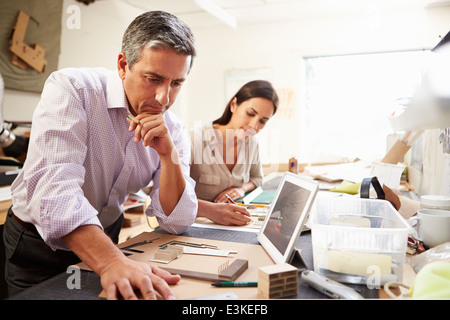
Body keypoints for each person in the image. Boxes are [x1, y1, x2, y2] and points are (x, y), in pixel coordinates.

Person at [3, 11, 198, 300]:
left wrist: (169, 159)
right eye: (153, 78)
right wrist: (110, 261)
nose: (163, 98)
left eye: (176, 83)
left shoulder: (173, 128)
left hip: (106, 237)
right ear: (123, 64)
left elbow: (176, 221)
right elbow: (55, 191)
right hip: (39, 244)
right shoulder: (73, 89)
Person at [190, 80, 278, 226]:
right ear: (233, 105)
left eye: (262, 121)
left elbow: (257, 179)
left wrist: (241, 189)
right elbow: (174, 197)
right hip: (196, 225)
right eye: (250, 113)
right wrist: (212, 211)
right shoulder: (195, 139)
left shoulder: (251, 143)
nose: (253, 125)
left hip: (232, 224)